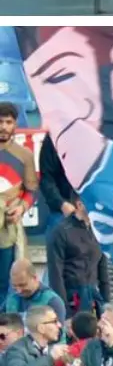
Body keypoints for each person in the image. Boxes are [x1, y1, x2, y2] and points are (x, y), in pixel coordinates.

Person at [0, 105, 35, 288]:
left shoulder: (25, 155)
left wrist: (21, 208)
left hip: (8, 229)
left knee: (6, 283)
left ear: (15, 124)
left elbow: (32, 190)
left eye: (8, 122)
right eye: (0, 121)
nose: (4, 126)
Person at [1, 306, 66, 366]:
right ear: (41, 328)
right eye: (54, 321)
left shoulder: (53, 348)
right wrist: (50, 358)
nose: (59, 325)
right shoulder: (16, 351)